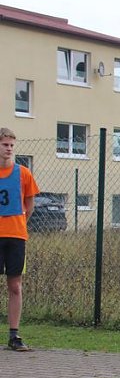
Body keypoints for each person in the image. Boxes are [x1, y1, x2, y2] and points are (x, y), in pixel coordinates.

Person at [0, 127, 39, 352]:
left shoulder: (23, 173)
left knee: (15, 285)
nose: (9, 148)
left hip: (16, 236)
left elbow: (30, 204)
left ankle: (14, 335)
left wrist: (20, 222)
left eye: (12, 145)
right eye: (5, 144)